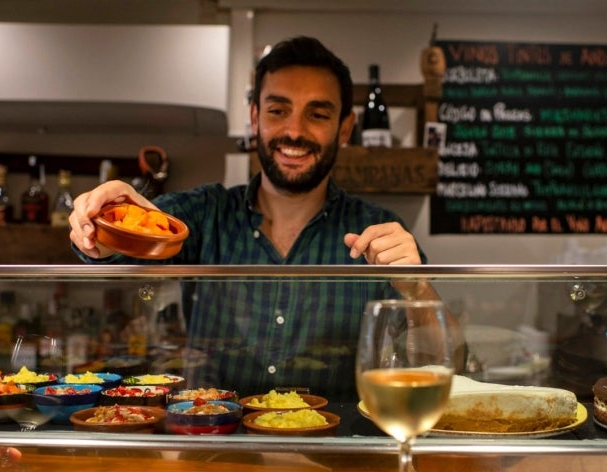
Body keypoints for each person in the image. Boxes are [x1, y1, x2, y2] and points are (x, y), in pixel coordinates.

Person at [69, 36, 465, 399]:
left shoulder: (378, 230)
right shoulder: (208, 212)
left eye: (318, 114)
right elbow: (120, 249)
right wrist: (101, 225)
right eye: (278, 110)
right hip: (218, 452)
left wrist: (418, 290)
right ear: (255, 117)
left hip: (339, 460)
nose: (294, 131)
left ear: (345, 128)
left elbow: (447, 366)